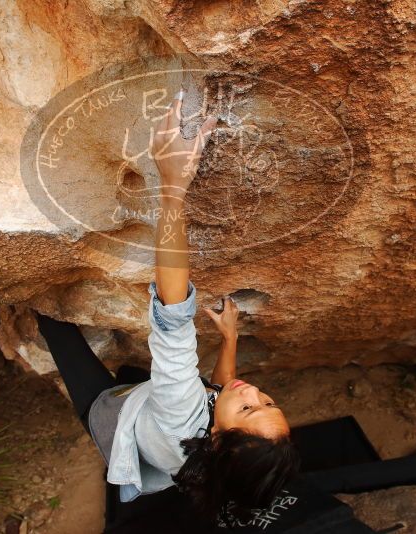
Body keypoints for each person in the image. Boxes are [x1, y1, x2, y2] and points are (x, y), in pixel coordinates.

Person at [35, 87, 300, 524]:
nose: (254, 392)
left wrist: (172, 186)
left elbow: (174, 316)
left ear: (215, 440)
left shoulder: (181, 415)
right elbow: (220, 392)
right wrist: (230, 338)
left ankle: (33, 310)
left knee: (55, 327)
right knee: (138, 375)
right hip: (150, 419)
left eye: (250, 408)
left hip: (110, 416)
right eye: (269, 402)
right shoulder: (214, 451)